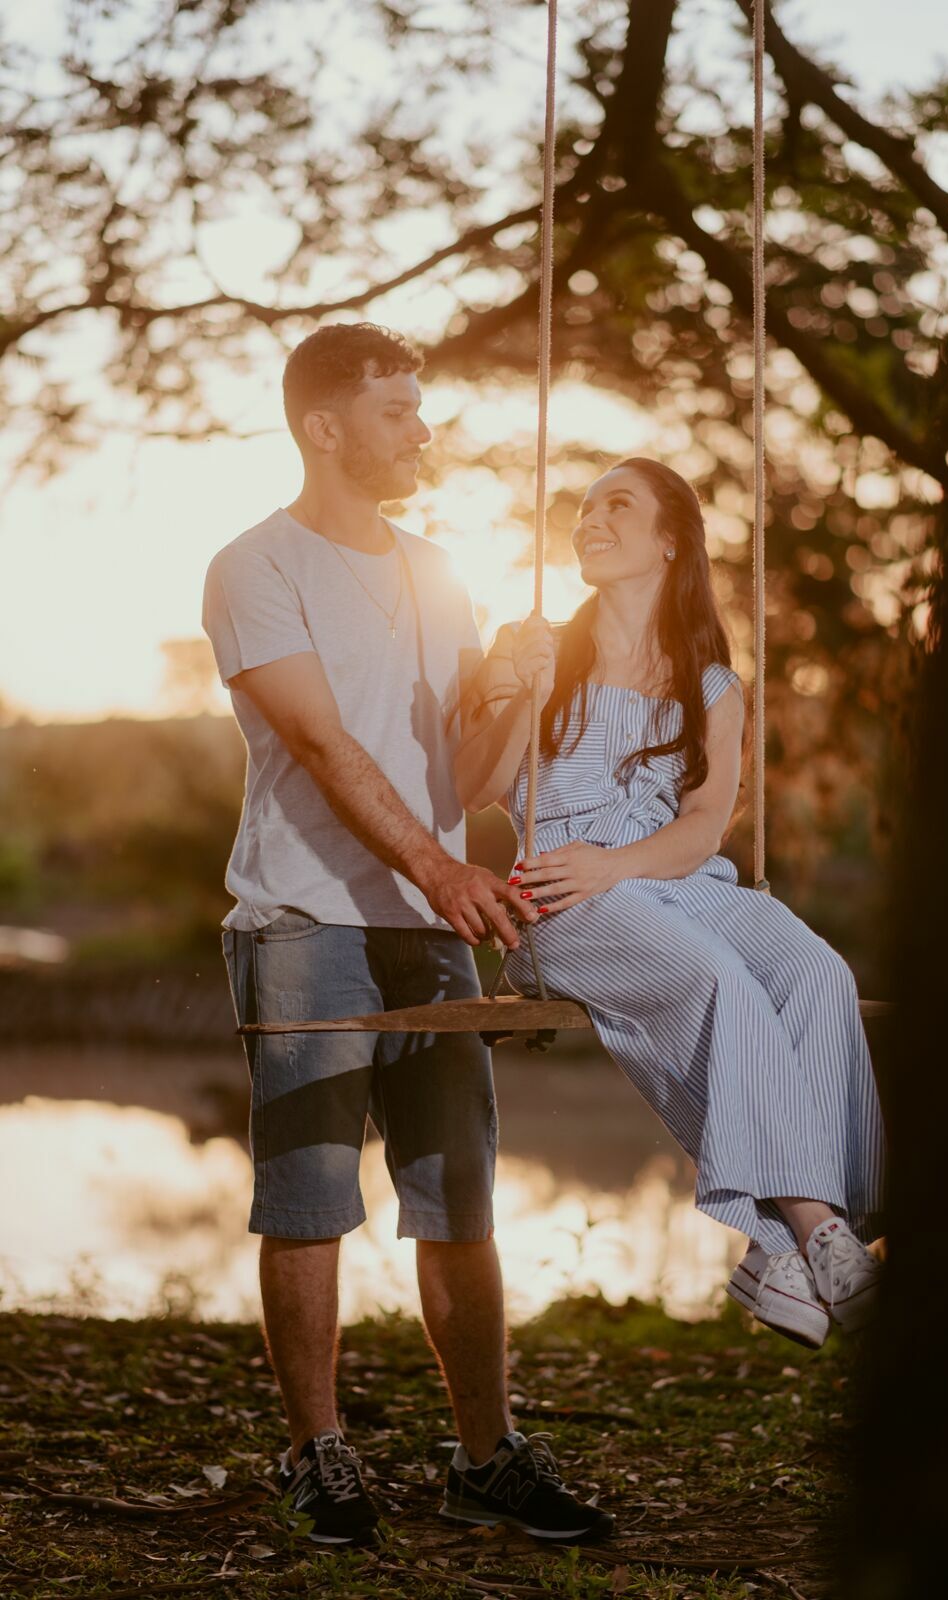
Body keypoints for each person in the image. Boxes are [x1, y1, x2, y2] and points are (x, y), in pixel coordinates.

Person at [201, 321, 614, 1547]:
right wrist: (439, 867)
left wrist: (521, 688)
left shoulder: (441, 572)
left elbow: (470, 777)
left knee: (459, 1197)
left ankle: (485, 1457)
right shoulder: (255, 567)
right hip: (302, 919)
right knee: (308, 1197)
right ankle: (317, 1453)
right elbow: (325, 747)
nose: (422, 432)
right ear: (324, 427)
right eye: (396, 412)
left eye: (419, 409)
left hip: (431, 924)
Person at [454, 457, 886, 1352]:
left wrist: (617, 865)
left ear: (669, 542)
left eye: (618, 505)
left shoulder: (712, 684)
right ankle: (816, 1232)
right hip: (559, 897)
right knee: (716, 977)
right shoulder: (532, 646)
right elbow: (471, 787)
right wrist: (522, 691)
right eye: (584, 508)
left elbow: (700, 831)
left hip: (672, 880)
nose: (590, 520)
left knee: (817, 972)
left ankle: (779, 1252)